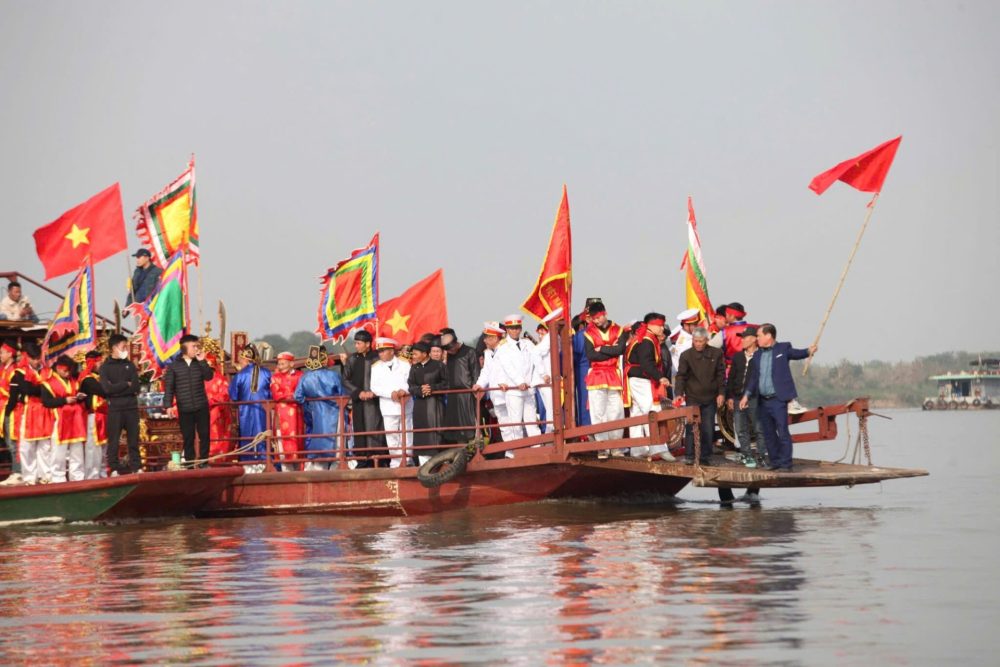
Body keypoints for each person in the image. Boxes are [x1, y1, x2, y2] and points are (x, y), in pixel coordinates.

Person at [740, 323, 818, 472]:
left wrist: (809, 351)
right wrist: (746, 396)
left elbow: (797, 353)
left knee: (782, 431)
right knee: (768, 432)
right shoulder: (757, 355)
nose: (757, 339)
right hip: (763, 400)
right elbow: (754, 378)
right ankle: (775, 461)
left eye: (759, 336)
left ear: (768, 336)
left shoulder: (783, 349)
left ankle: (786, 464)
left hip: (778, 400)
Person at [624, 312, 674, 461]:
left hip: (636, 378)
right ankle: (658, 448)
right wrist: (660, 377)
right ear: (651, 325)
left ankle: (638, 449)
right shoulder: (646, 341)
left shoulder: (644, 337)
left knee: (638, 413)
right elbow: (647, 364)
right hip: (641, 380)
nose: (662, 329)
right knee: (653, 411)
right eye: (660, 326)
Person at [582, 301, 629, 451]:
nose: (596, 321)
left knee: (616, 411)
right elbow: (591, 355)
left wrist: (601, 347)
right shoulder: (589, 332)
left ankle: (615, 446)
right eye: (593, 319)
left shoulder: (618, 330)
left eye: (598, 318)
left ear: (605, 313)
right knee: (598, 412)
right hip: (596, 375)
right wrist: (611, 349)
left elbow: (620, 350)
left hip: (613, 375)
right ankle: (602, 446)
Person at [675, 327, 725, 465]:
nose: (698, 344)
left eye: (701, 341)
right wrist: (678, 394)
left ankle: (705, 457)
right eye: (695, 341)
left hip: (710, 397)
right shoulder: (686, 355)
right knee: (691, 427)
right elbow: (681, 376)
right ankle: (690, 455)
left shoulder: (716, 353)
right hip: (693, 396)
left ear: (706, 340)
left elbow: (721, 375)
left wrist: (721, 393)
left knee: (708, 428)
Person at [162, 334, 215, 467]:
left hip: (201, 405)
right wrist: (168, 405)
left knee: (204, 435)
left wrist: (203, 361)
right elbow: (169, 387)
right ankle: (190, 463)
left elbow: (209, 376)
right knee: (188, 437)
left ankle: (203, 462)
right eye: (194, 346)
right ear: (184, 348)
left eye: (197, 346)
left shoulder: (200, 363)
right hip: (184, 407)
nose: (196, 349)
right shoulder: (174, 366)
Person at [6, 343, 52, 484]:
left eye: (38, 358)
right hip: (28, 412)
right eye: (33, 358)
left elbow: (50, 389)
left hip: (45, 411)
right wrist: (42, 387)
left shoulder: (48, 371)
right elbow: (27, 390)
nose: (36, 361)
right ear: (28, 357)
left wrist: (38, 388)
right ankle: (29, 478)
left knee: (45, 446)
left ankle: (45, 477)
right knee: (27, 448)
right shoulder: (20, 372)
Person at [342, 330, 388, 468]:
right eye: (355, 343)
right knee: (360, 429)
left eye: (359, 343)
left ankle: (379, 460)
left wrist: (374, 392)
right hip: (358, 401)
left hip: (375, 401)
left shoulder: (377, 358)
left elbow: (384, 379)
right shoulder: (352, 359)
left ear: (368, 344)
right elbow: (345, 380)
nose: (356, 346)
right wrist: (358, 392)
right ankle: (362, 460)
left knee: (376, 428)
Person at [295, 346, 344, 469]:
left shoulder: (305, 377)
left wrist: (308, 407)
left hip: (314, 412)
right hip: (334, 411)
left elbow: (298, 396)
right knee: (337, 440)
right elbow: (343, 394)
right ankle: (335, 466)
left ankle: (317, 465)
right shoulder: (333, 375)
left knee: (317, 438)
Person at [40, 355, 88, 483]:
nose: (68, 374)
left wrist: (79, 397)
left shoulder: (73, 381)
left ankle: (77, 477)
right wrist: (64, 400)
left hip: (75, 419)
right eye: (65, 371)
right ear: (58, 368)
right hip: (59, 420)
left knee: (77, 451)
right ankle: (58, 478)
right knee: (58, 452)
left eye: (69, 371)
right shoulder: (47, 383)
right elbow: (46, 402)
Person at [99, 333, 142, 474]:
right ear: (114, 347)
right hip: (115, 408)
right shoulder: (105, 367)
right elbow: (107, 389)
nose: (126, 349)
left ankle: (136, 466)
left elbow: (136, 387)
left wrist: (118, 387)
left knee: (133, 440)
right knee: (114, 441)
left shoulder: (129, 365)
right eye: (123, 347)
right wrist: (125, 384)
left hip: (131, 407)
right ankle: (114, 468)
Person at [495, 314, 542, 440]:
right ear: (507, 330)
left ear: (520, 329)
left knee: (532, 422)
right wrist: (519, 382)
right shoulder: (503, 347)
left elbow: (537, 360)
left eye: (517, 328)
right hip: (514, 390)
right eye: (511, 328)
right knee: (516, 424)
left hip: (528, 388)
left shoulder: (528, 344)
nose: (514, 331)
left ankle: (537, 448)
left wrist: (538, 377)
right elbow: (507, 367)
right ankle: (518, 451)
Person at [370, 337, 413, 467]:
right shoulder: (376, 367)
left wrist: (403, 391)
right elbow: (375, 387)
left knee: (407, 433)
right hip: (388, 406)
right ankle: (395, 461)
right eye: (379, 351)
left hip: (405, 403)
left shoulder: (405, 364)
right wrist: (391, 394)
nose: (381, 354)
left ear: (391, 351)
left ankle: (408, 459)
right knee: (391, 435)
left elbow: (411, 382)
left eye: (383, 351)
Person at [229, 344, 272, 470]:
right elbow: (272, 393)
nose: (240, 362)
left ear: (246, 360)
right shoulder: (267, 373)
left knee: (247, 436)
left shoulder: (240, 375)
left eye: (241, 360)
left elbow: (233, 395)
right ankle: (265, 461)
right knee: (263, 434)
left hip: (245, 413)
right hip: (263, 411)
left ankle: (248, 464)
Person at [473, 322, 512, 456]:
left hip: (510, 392)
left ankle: (520, 450)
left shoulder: (508, 349)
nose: (484, 340)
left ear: (495, 338)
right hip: (497, 395)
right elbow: (486, 373)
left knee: (515, 423)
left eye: (487, 337)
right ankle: (510, 452)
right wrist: (479, 384)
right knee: (504, 425)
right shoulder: (488, 353)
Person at [407, 341, 447, 465]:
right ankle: (423, 464)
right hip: (420, 406)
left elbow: (447, 383)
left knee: (437, 433)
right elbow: (411, 386)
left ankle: (440, 462)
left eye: (415, 354)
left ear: (425, 354)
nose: (413, 356)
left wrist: (432, 388)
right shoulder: (414, 368)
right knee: (421, 434)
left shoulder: (439, 365)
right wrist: (420, 390)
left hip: (436, 405)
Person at [440, 327, 479, 444]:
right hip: (453, 395)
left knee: (471, 426)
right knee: (456, 430)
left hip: (468, 395)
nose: (450, 352)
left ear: (455, 343)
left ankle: (475, 451)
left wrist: (475, 391)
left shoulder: (470, 351)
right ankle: (461, 454)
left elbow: (475, 373)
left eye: (450, 349)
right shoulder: (448, 356)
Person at [270, 351, 303, 471]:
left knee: (298, 443)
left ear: (291, 364)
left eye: (283, 364)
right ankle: (286, 472)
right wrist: (293, 396)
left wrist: (289, 396)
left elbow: (301, 393)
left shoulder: (300, 375)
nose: (281, 366)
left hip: (297, 416)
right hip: (281, 415)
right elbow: (276, 395)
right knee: (282, 444)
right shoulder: (275, 377)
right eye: (279, 364)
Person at [79, 350, 108, 479]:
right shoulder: (87, 379)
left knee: (104, 448)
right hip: (93, 416)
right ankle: (92, 475)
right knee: (93, 448)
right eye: (99, 361)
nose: (101, 364)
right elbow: (103, 391)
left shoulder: (101, 377)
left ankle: (102, 472)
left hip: (105, 415)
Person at [203, 347, 233, 461]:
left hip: (217, 411)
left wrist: (211, 401)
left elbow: (224, 395)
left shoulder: (221, 379)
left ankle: (216, 456)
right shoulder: (199, 379)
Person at [532, 321, 554, 433]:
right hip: (546, 379)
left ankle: (550, 432)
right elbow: (535, 352)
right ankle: (550, 433)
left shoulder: (552, 337)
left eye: (543, 329)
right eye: (539, 330)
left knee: (551, 409)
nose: (540, 333)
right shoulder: (549, 337)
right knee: (551, 409)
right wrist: (543, 373)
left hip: (549, 379)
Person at [571, 313, 592, 426]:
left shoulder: (580, 336)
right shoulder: (595, 332)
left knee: (585, 401)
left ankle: (586, 429)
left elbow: (572, 356)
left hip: (582, 371)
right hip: (599, 370)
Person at [0, 342, 17, 475]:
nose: (0, 355)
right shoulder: (3, 369)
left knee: (12, 443)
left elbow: (12, 393)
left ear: (10, 354)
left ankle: (17, 472)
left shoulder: (13, 370)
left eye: (2, 352)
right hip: (2, 408)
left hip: (9, 410)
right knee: (7, 442)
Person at [721, 302, 753, 368]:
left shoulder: (725, 331)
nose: (725, 317)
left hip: (731, 370)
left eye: (726, 314)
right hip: (752, 368)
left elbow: (710, 346)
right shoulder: (755, 328)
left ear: (732, 316)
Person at [670, 308, 700, 374]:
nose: (697, 327)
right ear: (686, 326)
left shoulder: (690, 338)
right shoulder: (684, 342)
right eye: (694, 325)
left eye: (697, 324)